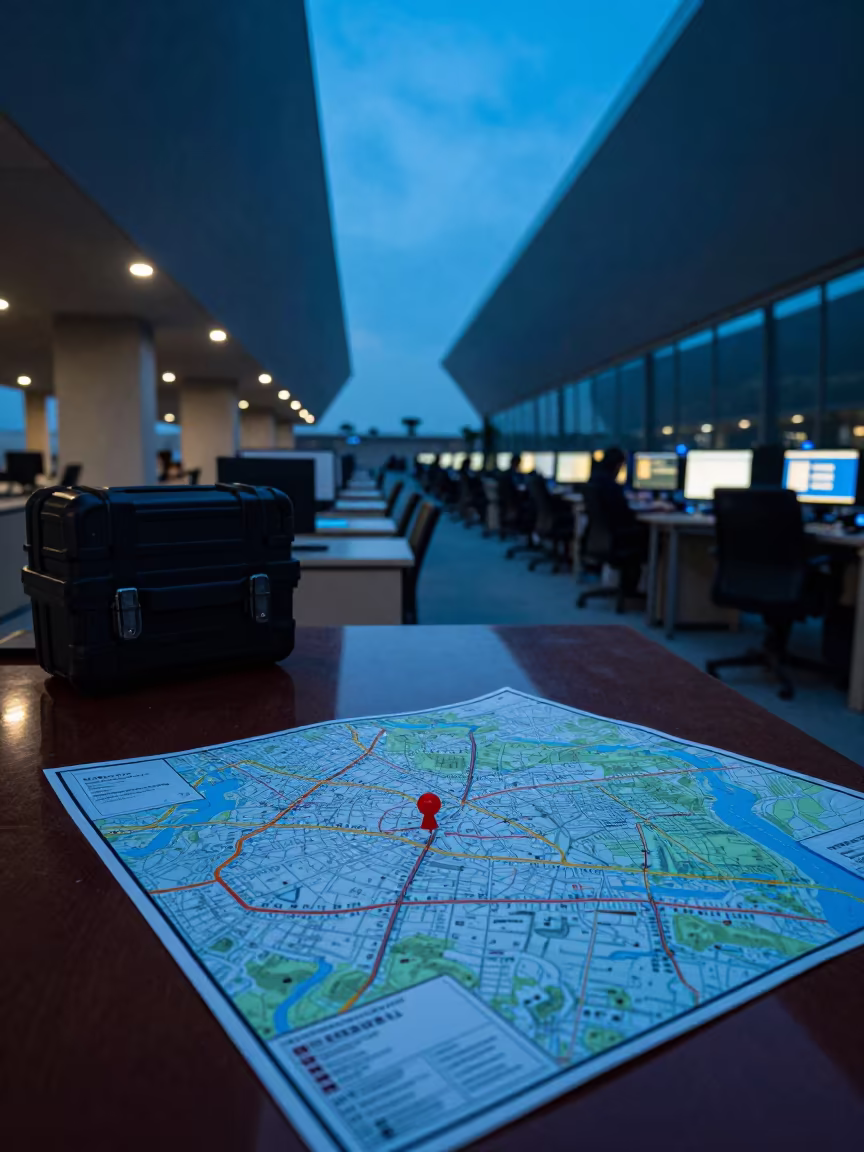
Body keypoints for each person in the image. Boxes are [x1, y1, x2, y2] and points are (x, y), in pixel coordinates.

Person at [586, 447, 648, 595]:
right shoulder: (611, 486)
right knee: (651, 535)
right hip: (617, 540)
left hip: (602, 539)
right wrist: (653, 508)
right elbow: (625, 515)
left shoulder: (595, 481)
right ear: (618, 465)